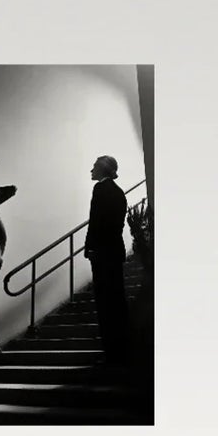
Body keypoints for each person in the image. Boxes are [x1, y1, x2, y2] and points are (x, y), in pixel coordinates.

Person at [84, 154, 130, 365]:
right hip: (114, 252)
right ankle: (120, 350)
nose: (91, 170)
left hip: (102, 254)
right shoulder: (119, 193)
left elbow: (96, 222)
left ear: (103, 168)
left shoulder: (100, 189)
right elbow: (116, 226)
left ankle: (111, 353)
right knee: (117, 302)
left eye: (94, 166)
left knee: (105, 304)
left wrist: (91, 248)